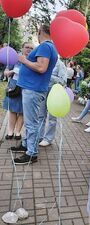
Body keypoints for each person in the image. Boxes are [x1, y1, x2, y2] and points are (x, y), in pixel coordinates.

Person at [10, 24, 58, 164]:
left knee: (31, 123)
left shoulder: (45, 46)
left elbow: (41, 67)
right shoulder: (51, 47)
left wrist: (24, 60)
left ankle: (31, 153)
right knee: (31, 121)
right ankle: (26, 145)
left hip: (33, 89)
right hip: (34, 89)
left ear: (39, 32)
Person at [2, 42, 34, 140]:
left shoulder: (34, 60)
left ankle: (18, 132)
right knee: (12, 109)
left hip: (26, 86)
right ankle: (10, 131)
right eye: (27, 47)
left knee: (22, 111)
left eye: (31, 48)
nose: (28, 49)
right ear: (22, 48)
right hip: (13, 85)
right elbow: (6, 72)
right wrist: (10, 72)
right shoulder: (15, 59)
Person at [38, 58, 67, 147]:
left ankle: (48, 139)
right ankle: (39, 136)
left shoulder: (60, 64)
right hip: (42, 89)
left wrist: (48, 75)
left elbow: (63, 80)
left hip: (54, 91)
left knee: (52, 117)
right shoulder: (42, 60)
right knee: (40, 115)